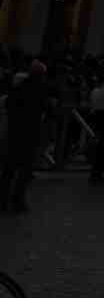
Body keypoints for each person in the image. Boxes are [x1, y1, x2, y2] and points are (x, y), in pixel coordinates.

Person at [1, 61, 51, 212]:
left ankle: (3, 200)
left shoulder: (17, 88)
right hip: (30, 134)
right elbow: (49, 108)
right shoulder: (41, 89)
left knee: (9, 169)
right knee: (25, 170)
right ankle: (17, 200)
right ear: (41, 75)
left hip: (14, 133)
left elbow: (8, 106)